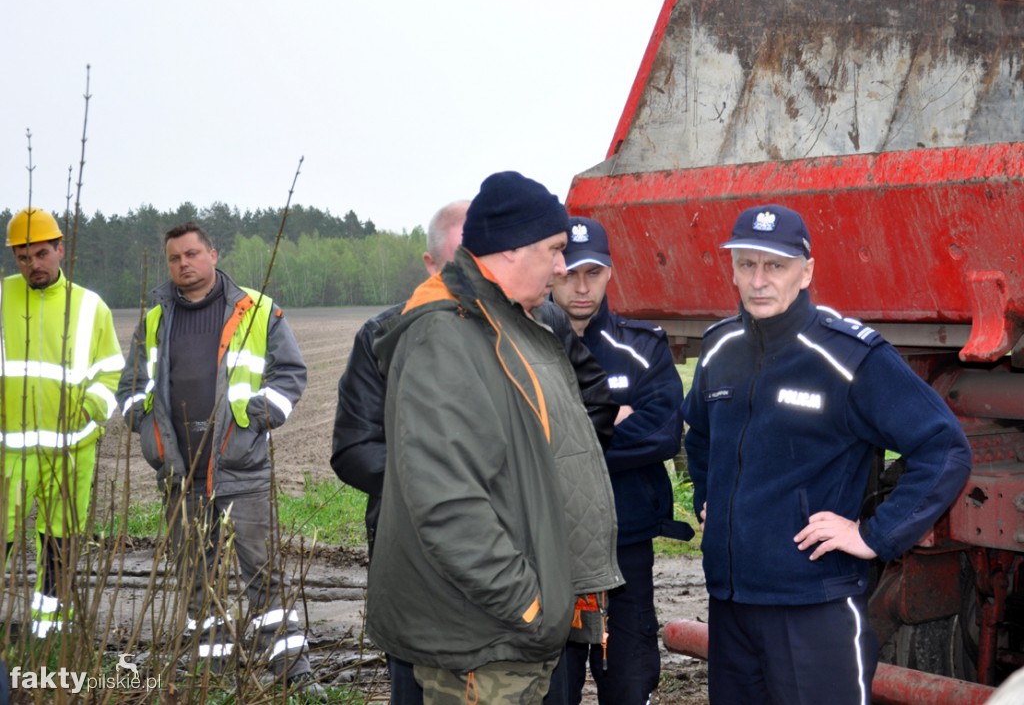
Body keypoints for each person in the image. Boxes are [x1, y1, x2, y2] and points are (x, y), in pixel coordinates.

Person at [683, 204, 973, 704]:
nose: (759, 280)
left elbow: (943, 447)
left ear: (806, 271)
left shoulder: (848, 357)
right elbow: (701, 436)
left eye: (775, 265)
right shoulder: (719, 348)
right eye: (747, 264)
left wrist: (875, 536)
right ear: (732, 270)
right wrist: (709, 502)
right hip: (730, 606)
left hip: (813, 606)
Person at [332, 200, 617, 704]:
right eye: (554, 251)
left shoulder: (536, 323)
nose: (561, 268)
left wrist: (534, 471)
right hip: (464, 596)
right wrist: (532, 604)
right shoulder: (425, 335)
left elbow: (585, 407)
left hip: (520, 590)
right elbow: (376, 459)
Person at [116, 221, 323, 698]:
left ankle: (293, 669)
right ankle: (211, 673)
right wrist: (147, 429)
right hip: (179, 470)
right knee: (196, 575)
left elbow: (290, 373)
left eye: (192, 254)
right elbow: (131, 387)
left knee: (262, 572)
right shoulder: (155, 317)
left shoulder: (257, 309)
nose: (183, 264)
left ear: (213, 254)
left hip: (240, 466)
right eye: (174, 258)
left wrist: (258, 418)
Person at [551, 216, 688, 705]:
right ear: (552, 271)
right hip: (551, 543)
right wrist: (616, 419)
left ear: (609, 272)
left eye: (593, 273)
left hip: (624, 539)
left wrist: (565, 438)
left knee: (629, 679)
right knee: (553, 686)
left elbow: (662, 433)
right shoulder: (527, 345)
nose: (581, 287)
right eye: (570, 273)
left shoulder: (641, 347)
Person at [2, 207, 124, 638]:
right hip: (8, 450)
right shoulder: (2, 296)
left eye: (41, 254)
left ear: (60, 249)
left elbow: (110, 370)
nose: (33, 264)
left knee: (60, 541)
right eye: (23, 257)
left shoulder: (90, 307)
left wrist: (89, 408)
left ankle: (50, 629)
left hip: (72, 450)